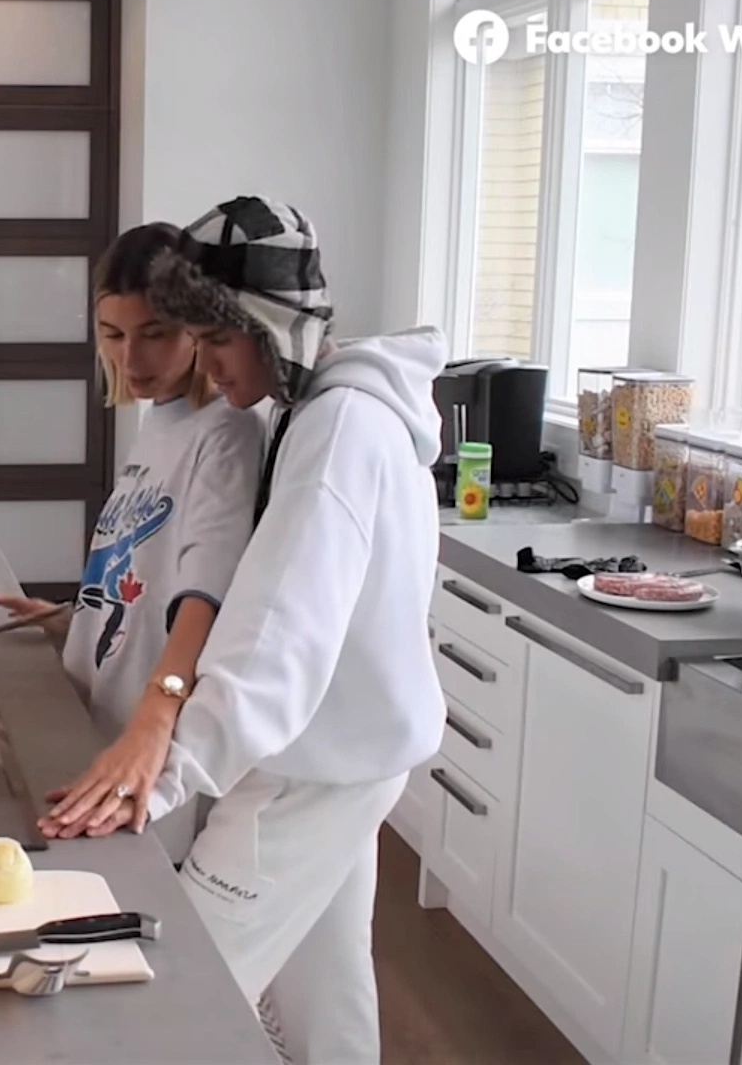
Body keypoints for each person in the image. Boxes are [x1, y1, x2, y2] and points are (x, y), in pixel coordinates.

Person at [41, 196, 447, 1065]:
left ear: (274, 328)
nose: (210, 364)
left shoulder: (339, 431)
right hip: (339, 752)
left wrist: (161, 770)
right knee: (326, 1003)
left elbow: (278, 635)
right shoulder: (317, 411)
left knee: (181, 1004)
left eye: (219, 339)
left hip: (314, 769)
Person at [0, 222, 265, 865]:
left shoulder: (225, 434)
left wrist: (157, 716)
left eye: (155, 334)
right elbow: (146, 572)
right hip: (100, 726)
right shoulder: (160, 424)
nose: (131, 359)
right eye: (112, 335)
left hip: (147, 751)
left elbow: (206, 595)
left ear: (195, 330)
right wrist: (78, 622)